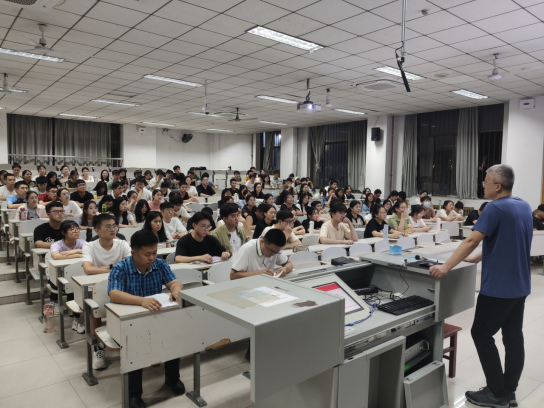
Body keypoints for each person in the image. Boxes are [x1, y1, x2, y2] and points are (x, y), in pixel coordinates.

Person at [429, 165, 532, 408]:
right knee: (513, 338)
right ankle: (509, 391)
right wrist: (477, 258)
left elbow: (472, 240)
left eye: (485, 181)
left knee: (481, 334)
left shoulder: (494, 208)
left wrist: (446, 267)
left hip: (498, 288)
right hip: (520, 286)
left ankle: (496, 393)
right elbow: (508, 240)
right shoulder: (524, 206)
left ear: (497, 186)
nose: (482, 185)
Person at [108, 230, 185, 408]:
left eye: (154, 253)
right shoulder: (120, 268)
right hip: (130, 321)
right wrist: (141, 301)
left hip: (155, 316)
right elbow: (114, 294)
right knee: (136, 348)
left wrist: (176, 291)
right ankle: (134, 394)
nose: (152, 258)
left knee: (173, 338)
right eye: (147, 254)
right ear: (133, 253)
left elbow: (175, 282)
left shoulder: (159, 264)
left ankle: (172, 379)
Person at [82, 213, 132, 370]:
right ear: (97, 230)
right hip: (96, 286)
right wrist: (113, 267)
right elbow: (88, 270)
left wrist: (106, 269)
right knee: (95, 310)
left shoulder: (122, 244)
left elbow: (131, 264)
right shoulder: (90, 246)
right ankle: (98, 348)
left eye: (114, 226)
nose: (113, 229)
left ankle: (129, 340)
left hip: (121, 284)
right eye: (108, 226)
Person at [50, 220, 87, 333]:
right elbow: (56, 256)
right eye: (72, 229)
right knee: (74, 287)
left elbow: (90, 252)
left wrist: (73, 251)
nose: (76, 231)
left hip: (78, 274)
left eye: (77, 229)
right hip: (60, 275)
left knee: (78, 285)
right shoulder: (57, 244)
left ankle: (77, 317)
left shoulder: (82, 242)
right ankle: (76, 318)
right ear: (64, 233)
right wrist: (78, 254)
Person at [34, 202, 65, 311]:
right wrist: (59, 245)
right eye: (56, 211)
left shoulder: (67, 227)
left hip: (65, 258)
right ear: (48, 214)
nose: (60, 214)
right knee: (54, 270)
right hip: (47, 262)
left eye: (61, 211)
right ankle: (54, 300)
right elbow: (38, 243)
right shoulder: (40, 229)